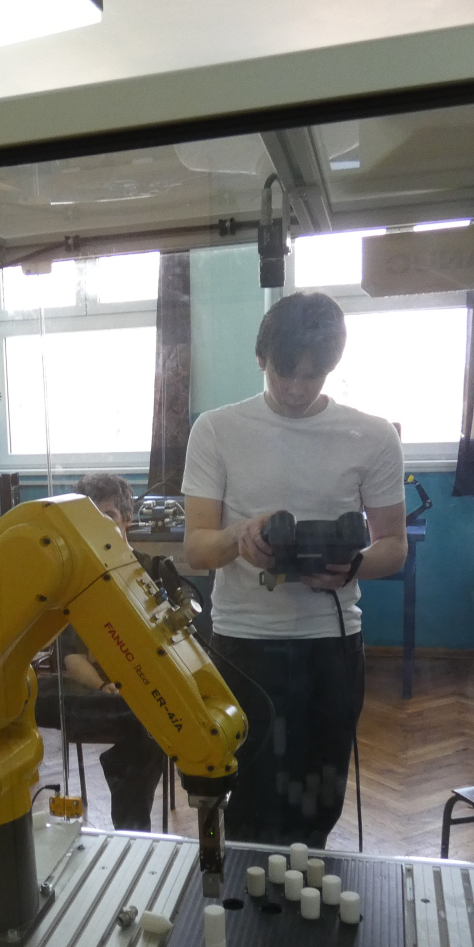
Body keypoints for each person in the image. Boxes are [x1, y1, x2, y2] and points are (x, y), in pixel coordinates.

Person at [182, 291, 407, 846]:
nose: (297, 389)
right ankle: (249, 895)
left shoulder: (373, 435)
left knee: (318, 803)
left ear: (333, 366)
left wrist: (352, 565)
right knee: (249, 800)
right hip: (244, 642)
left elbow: (395, 547)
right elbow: (197, 550)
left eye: (313, 376)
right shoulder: (216, 429)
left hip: (329, 644)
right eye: (285, 373)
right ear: (261, 358)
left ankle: (307, 884)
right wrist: (240, 537)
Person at [54, 474, 170, 831]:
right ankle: (132, 824)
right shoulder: (77, 579)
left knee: (148, 723)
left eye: (109, 517)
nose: (101, 527)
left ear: (127, 519)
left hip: (147, 691)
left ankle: (130, 822)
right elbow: (71, 656)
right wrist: (103, 686)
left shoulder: (153, 571)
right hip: (97, 692)